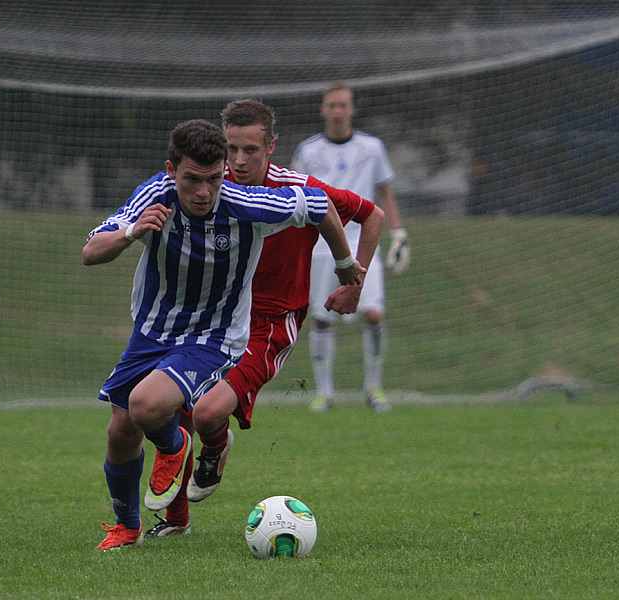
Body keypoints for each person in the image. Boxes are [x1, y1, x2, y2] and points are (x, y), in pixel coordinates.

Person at [83, 119, 362, 550]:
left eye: (212, 180)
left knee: (145, 406)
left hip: (214, 337)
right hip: (152, 331)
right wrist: (132, 231)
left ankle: (175, 448)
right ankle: (128, 526)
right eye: (191, 180)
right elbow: (91, 252)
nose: (202, 192)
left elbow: (321, 205)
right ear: (171, 169)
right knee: (120, 431)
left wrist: (345, 265)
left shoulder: (245, 203)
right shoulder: (155, 194)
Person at [144, 100, 385, 536]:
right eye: (231, 149)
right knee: (171, 410)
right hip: (213, 320)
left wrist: (353, 281)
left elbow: (373, 215)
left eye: (250, 150)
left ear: (271, 147)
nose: (238, 161)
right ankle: (176, 521)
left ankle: (215, 449)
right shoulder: (205, 189)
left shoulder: (297, 189)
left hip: (269, 322)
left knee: (205, 414)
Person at [291, 82, 410, 413]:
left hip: (362, 240)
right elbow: (295, 197)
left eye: (343, 105)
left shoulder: (372, 147)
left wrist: (398, 233)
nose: (338, 110)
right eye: (332, 105)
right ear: (323, 110)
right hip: (320, 244)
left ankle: (373, 389)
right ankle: (324, 393)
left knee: (373, 314)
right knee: (322, 317)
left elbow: (384, 191)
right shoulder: (308, 151)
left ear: (352, 109)